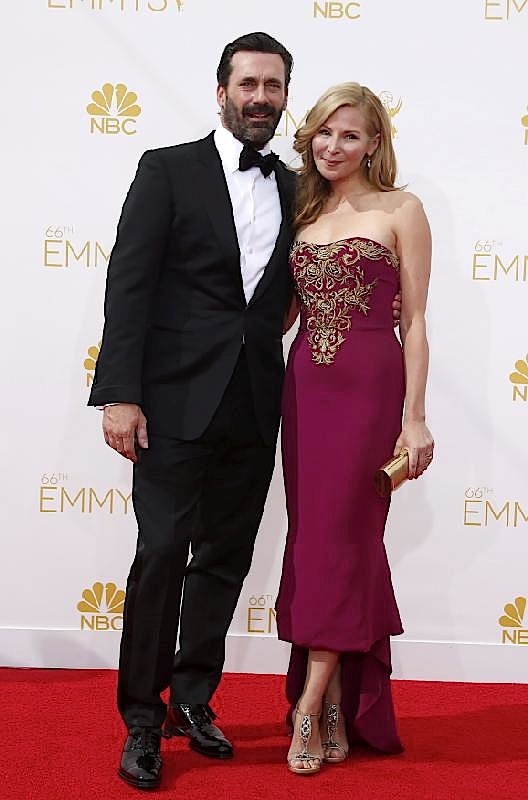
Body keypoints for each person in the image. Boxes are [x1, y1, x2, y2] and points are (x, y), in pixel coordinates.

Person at [88, 32, 296, 790]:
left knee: (225, 558)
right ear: (221, 92)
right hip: (172, 400)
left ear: (285, 97)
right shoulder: (167, 169)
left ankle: (194, 698)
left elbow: (289, 291)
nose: (260, 98)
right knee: (162, 555)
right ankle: (143, 721)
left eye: (273, 86)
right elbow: (129, 283)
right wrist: (121, 392)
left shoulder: (296, 187)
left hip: (255, 401)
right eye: (249, 84)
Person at [275, 82, 434, 775]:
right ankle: (338, 699)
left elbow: (416, 321)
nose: (333, 146)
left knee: (346, 536)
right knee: (315, 539)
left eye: (349, 135)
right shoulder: (302, 210)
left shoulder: (402, 209)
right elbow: (281, 315)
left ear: (373, 144)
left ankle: (309, 706)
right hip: (306, 389)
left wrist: (415, 418)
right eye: (323, 132)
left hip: (370, 389)